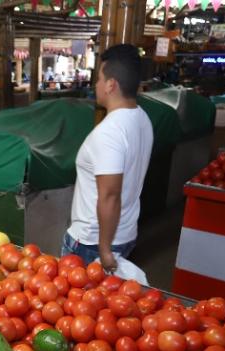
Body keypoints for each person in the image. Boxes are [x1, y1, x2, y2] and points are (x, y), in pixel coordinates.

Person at [62, 44, 154, 273]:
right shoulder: (142, 119)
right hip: (125, 234)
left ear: (111, 85)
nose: (96, 84)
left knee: (78, 306)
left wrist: (104, 251)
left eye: (100, 78)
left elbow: (110, 194)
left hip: (92, 243)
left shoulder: (109, 133)